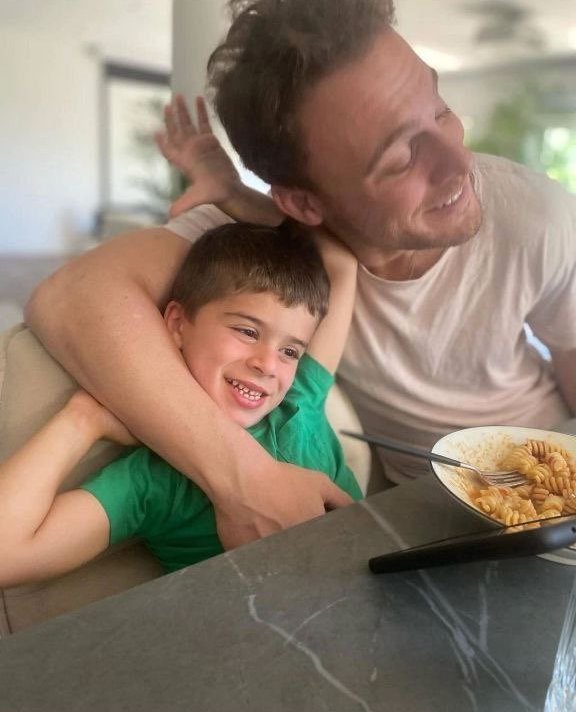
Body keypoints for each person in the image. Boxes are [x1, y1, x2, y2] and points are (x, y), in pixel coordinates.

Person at [26, 0, 576, 544]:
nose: (460, 161)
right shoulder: (261, 253)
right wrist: (242, 477)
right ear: (304, 204)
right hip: (425, 502)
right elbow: (71, 297)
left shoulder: (537, 217)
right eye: (399, 158)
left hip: (557, 462)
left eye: (439, 110)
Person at [0, 216, 361, 587]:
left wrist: (234, 195)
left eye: (289, 351)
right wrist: (81, 420)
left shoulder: (300, 398)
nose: (268, 365)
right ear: (177, 324)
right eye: (247, 331)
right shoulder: (156, 480)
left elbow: (342, 262)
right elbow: (6, 555)